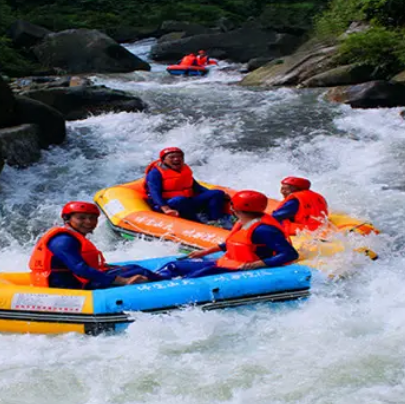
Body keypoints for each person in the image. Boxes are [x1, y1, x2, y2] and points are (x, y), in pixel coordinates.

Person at [155, 190, 299, 279]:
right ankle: (144, 277)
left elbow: (290, 254)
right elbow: (237, 243)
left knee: (192, 277)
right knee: (174, 266)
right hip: (231, 261)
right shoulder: (245, 222)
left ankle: (145, 282)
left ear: (234, 209)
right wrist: (206, 251)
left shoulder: (263, 229)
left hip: (241, 267)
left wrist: (256, 265)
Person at [29, 201, 163, 289]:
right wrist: (123, 281)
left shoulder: (72, 236)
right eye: (81, 218)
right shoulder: (64, 240)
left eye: (92, 218)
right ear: (67, 219)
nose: (88, 222)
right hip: (69, 286)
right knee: (140, 272)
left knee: (132, 268)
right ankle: (170, 283)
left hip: (73, 280)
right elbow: (80, 269)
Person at [144, 147, 232, 228]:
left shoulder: (184, 169)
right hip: (169, 204)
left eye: (179, 157)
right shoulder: (155, 173)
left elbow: (196, 187)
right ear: (163, 160)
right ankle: (198, 223)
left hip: (188, 201)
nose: (177, 159)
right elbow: (154, 193)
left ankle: (216, 220)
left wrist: (219, 195)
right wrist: (165, 208)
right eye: (172, 157)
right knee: (180, 200)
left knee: (217, 193)